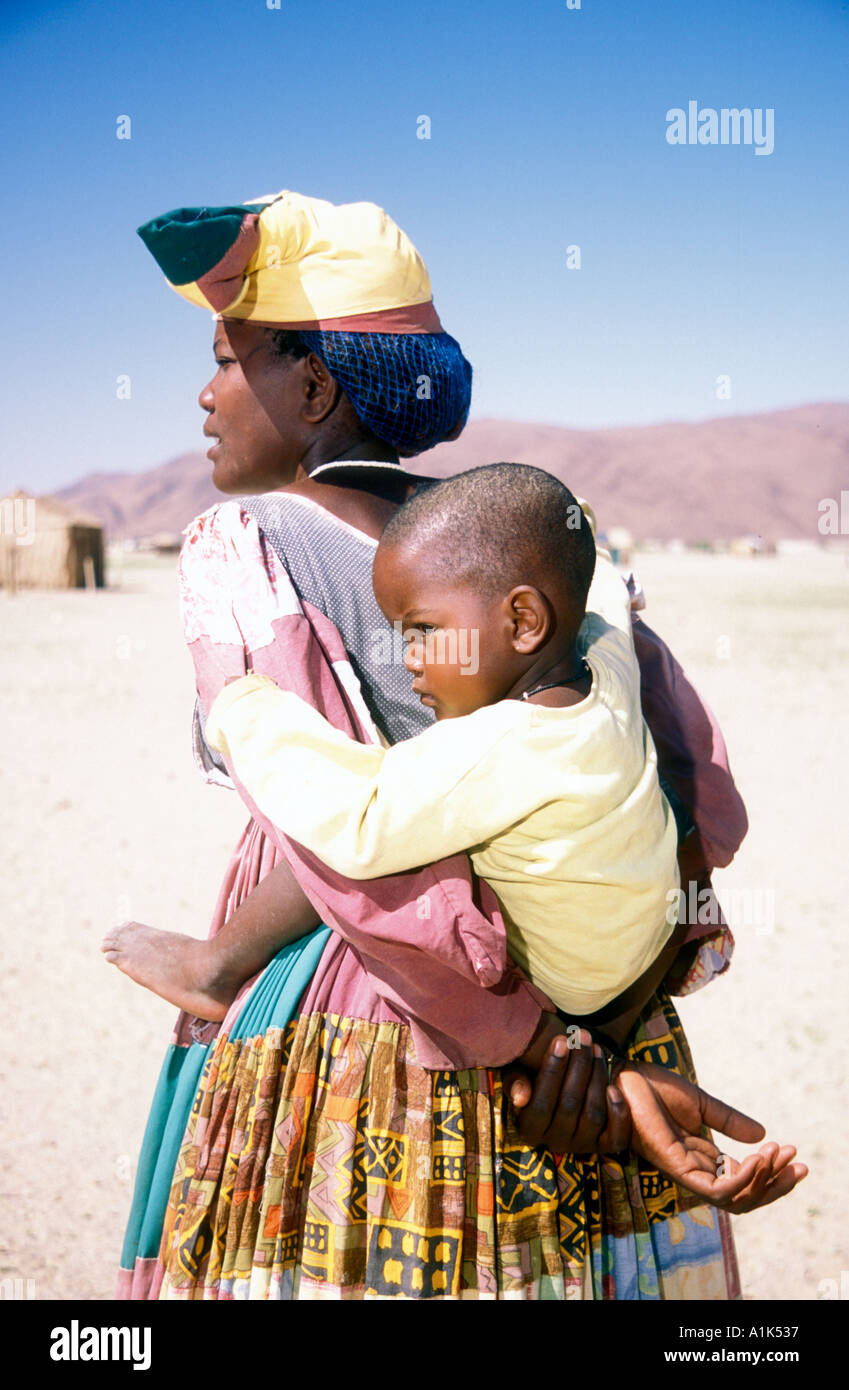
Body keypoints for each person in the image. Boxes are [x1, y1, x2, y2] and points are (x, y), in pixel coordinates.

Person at [114, 188, 805, 1301]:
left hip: (384, 1008)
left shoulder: (242, 540)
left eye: (226, 358)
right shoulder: (529, 532)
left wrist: (527, 1042)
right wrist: (600, 1022)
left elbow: (342, 840)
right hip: (594, 1008)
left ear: (316, 384)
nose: (203, 392)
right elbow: (690, 795)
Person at [105, 463, 687, 1027]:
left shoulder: (495, 747)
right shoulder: (609, 664)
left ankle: (218, 964)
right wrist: (580, 531)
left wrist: (245, 709)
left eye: (423, 631)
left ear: (524, 620)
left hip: (575, 990)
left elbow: (362, 819)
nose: (407, 658)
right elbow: (605, 597)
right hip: (645, 950)